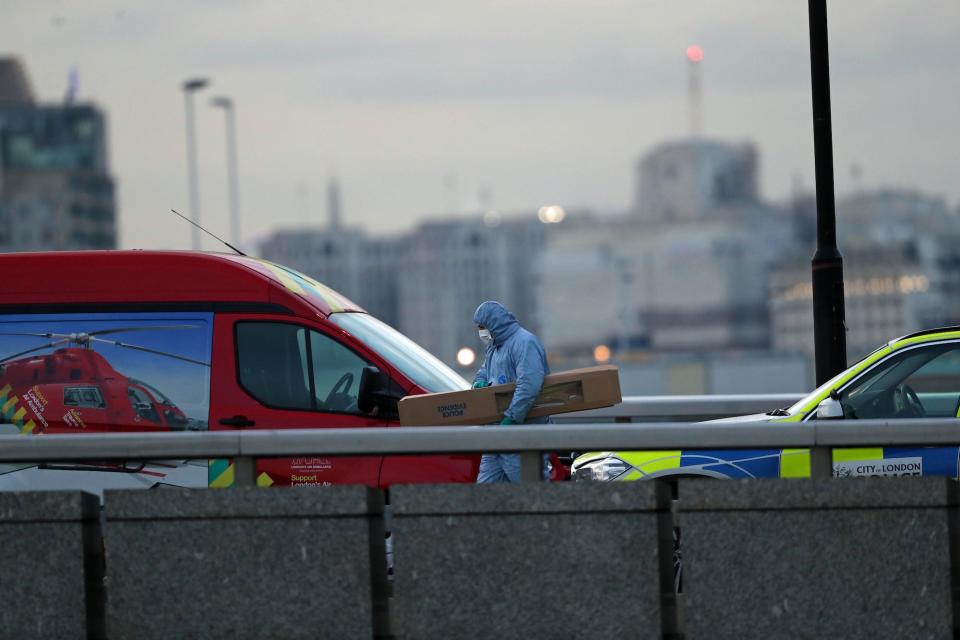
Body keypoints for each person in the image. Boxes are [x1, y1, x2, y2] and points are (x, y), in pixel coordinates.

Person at [471, 300, 552, 483]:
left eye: (482, 326)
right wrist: (479, 383)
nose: (480, 332)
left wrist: (512, 418)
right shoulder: (494, 347)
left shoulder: (524, 343)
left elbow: (529, 385)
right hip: (497, 436)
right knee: (486, 494)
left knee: (531, 494)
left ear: (494, 323)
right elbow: (483, 372)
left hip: (523, 436)